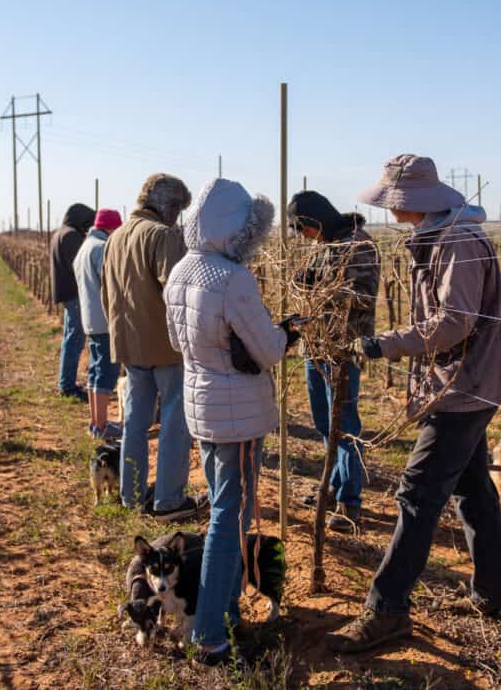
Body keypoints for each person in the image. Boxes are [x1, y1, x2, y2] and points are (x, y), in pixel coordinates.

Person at [326, 154, 501, 653]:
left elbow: (454, 323)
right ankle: (494, 594)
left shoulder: (457, 241)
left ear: (411, 202)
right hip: (463, 379)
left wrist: (385, 343)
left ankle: (387, 609)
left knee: (417, 493)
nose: (388, 209)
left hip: (467, 384)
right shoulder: (439, 234)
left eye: (393, 201)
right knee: (473, 487)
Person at [164, 178, 298, 665]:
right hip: (237, 414)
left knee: (225, 508)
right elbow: (265, 350)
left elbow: (178, 342)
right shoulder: (233, 278)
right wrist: (286, 334)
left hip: (200, 405)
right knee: (229, 516)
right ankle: (212, 632)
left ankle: (224, 608)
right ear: (237, 230)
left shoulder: (182, 270)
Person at [101, 173, 204, 521]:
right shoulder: (162, 236)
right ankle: (168, 501)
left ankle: (130, 493)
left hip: (128, 344)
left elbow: (106, 294)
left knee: (134, 421)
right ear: (167, 206)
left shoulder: (114, 238)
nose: (178, 218)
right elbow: (175, 293)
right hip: (165, 347)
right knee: (176, 420)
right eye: (177, 209)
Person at [287, 190, 380, 531]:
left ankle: (350, 501)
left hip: (342, 348)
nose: (301, 236)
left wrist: (322, 288)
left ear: (314, 220)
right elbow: (306, 284)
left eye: (301, 228)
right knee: (325, 423)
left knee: (345, 425)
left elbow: (363, 297)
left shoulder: (359, 244)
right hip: (315, 345)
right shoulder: (322, 244)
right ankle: (331, 485)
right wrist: (305, 282)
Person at [73, 208, 123, 440]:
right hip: (105, 321)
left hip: (90, 321)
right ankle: (102, 427)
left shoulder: (85, 247)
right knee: (106, 373)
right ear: (110, 228)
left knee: (95, 372)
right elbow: (112, 283)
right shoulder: (101, 248)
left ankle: (95, 422)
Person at [50, 203, 96, 401]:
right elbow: (81, 266)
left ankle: (66, 383)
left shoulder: (61, 232)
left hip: (68, 293)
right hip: (75, 294)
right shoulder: (71, 236)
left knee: (70, 338)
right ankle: (67, 386)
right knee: (74, 340)